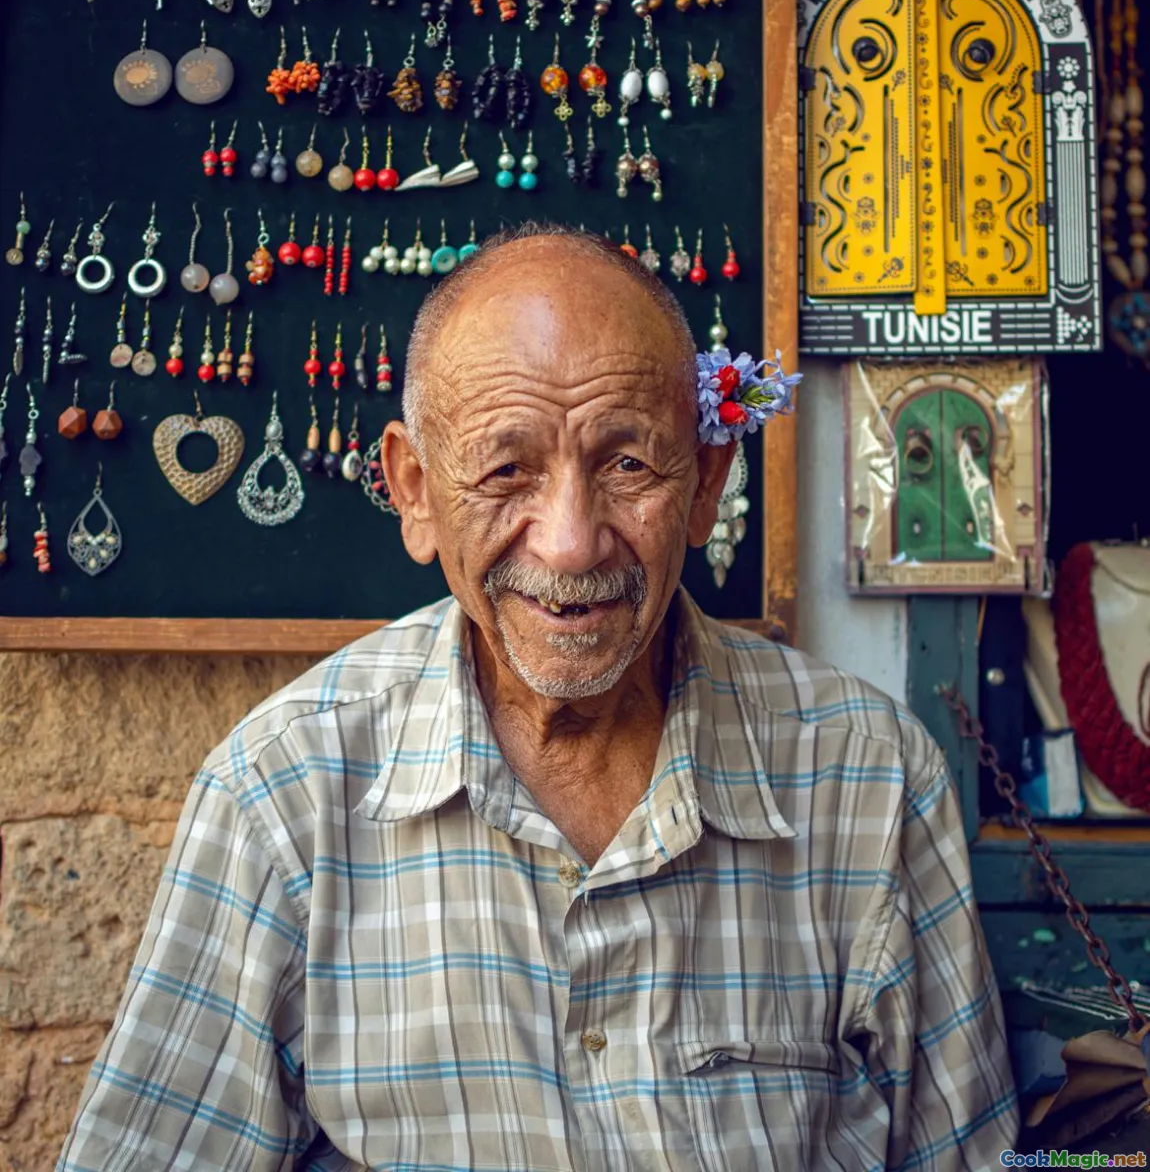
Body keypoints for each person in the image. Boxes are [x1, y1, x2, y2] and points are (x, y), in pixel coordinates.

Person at [58, 224, 1018, 1171]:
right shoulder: (284, 796)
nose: (569, 542)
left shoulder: (868, 777)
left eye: (627, 465)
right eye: (506, 468)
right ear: (415, 491)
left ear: (705, 484)